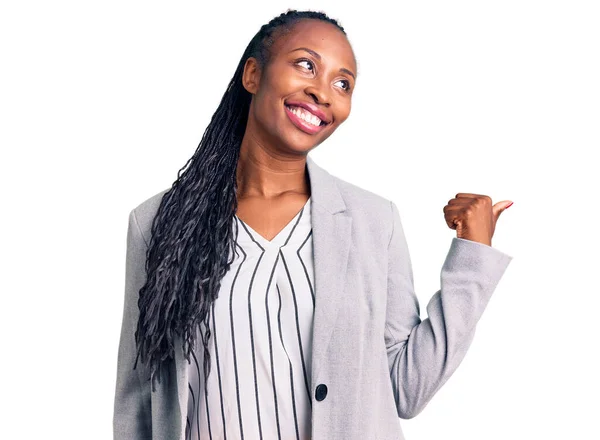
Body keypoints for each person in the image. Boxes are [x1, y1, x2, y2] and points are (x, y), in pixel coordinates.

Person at [113, 9, 513, 440]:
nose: (324, 92)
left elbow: (406, 389)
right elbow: (138, 397)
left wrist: (473, 256)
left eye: (342, 84)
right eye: (306, 65)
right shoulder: (157, 223)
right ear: (252, 74)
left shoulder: (374, 222)